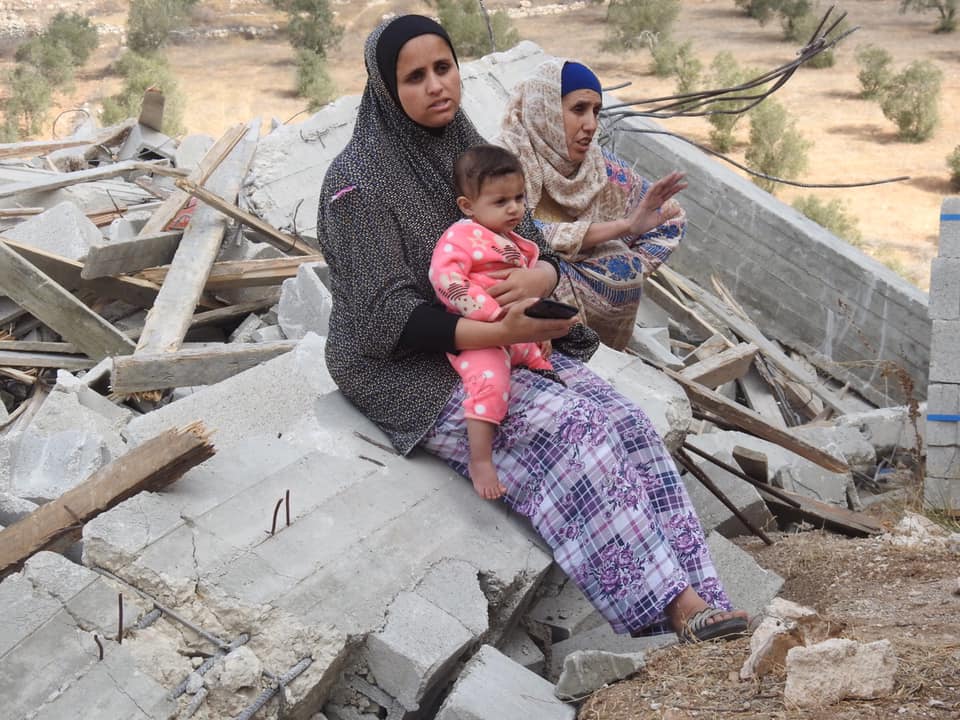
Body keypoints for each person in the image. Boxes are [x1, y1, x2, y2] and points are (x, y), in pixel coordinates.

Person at [316, 14, 748, 642]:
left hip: (502, 337)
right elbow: (387, 319)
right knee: (573, 433)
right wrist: (499, 331)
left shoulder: (463, 147)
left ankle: (708, 598)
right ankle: (673, 607)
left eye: (444, 67)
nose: (437, 86)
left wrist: (542, 278)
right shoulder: (357, 184)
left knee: (624, 420)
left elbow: (530, 239)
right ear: (386, 89)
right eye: (415, 77)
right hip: (411, 368)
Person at [497, 59, 688, 350]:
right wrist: (620, 229)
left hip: (604, 341)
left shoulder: (599, 167)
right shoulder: (504, 161)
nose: (591, 125)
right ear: (545, 108)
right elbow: (518, 230)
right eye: (578, 109)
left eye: (596, 112)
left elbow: (671, 218)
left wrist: (630, 270)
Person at [431, 144, 557, 501]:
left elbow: (526, 289)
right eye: (501, 202)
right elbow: (445, 279)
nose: (514, 208)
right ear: (468, 206)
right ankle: (480, 458)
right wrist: (489, 313)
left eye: (518, 197)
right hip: (479, 334)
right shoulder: (461, 236)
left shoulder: (516, 242)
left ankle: (547, 377)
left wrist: (537, 324)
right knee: (490, 380)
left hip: (515, 329)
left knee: (541, 358)